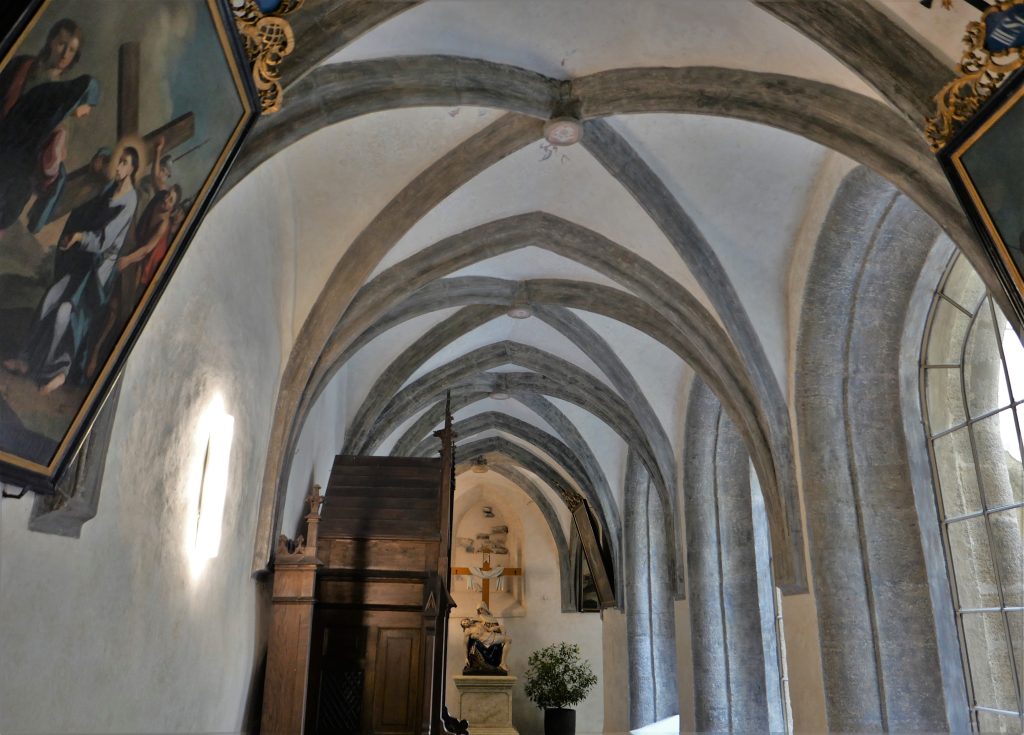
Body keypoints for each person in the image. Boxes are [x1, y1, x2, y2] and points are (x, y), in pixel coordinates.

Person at [3, 147, 138, 395]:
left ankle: (57, 372)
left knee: (65, 312)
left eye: (124, 163)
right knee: (50, 298)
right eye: (117, 161)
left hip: (96, 274)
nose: (118, 166)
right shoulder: (109, 188)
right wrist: (73, 237)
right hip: (83, 262)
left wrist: (79, 237)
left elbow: (105, 240)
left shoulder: (130, 201)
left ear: (132, 168)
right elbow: (86, 214)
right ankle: (26, 359)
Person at [460, 604, 511, 674]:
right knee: (508, 640)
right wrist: (465, 658)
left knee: (508, 640)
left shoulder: (477, 623)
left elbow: (489, 629)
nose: (466, 623)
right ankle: (502, 664)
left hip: (492, 635)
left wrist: (499, 627)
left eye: (465, 621)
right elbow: (465, 645)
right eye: (464, 624)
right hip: (486, 641)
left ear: (467, 619)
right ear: (464, 627)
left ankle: (503, 663)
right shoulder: (467, 631)